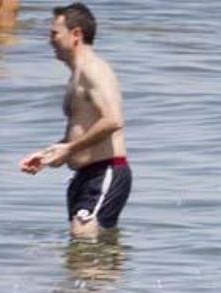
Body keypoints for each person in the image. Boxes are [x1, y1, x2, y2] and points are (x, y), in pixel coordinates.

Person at [20, 2, 131, 239]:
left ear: (76, 35)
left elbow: (113, 120)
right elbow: (81, 130)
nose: (49, 40)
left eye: (54, 34)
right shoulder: (76, 75)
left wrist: (70, 148)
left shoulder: (94, 70)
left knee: (84, 247)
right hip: (85, 175)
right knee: (85, 257)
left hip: (105, 171)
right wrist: (51, 154)